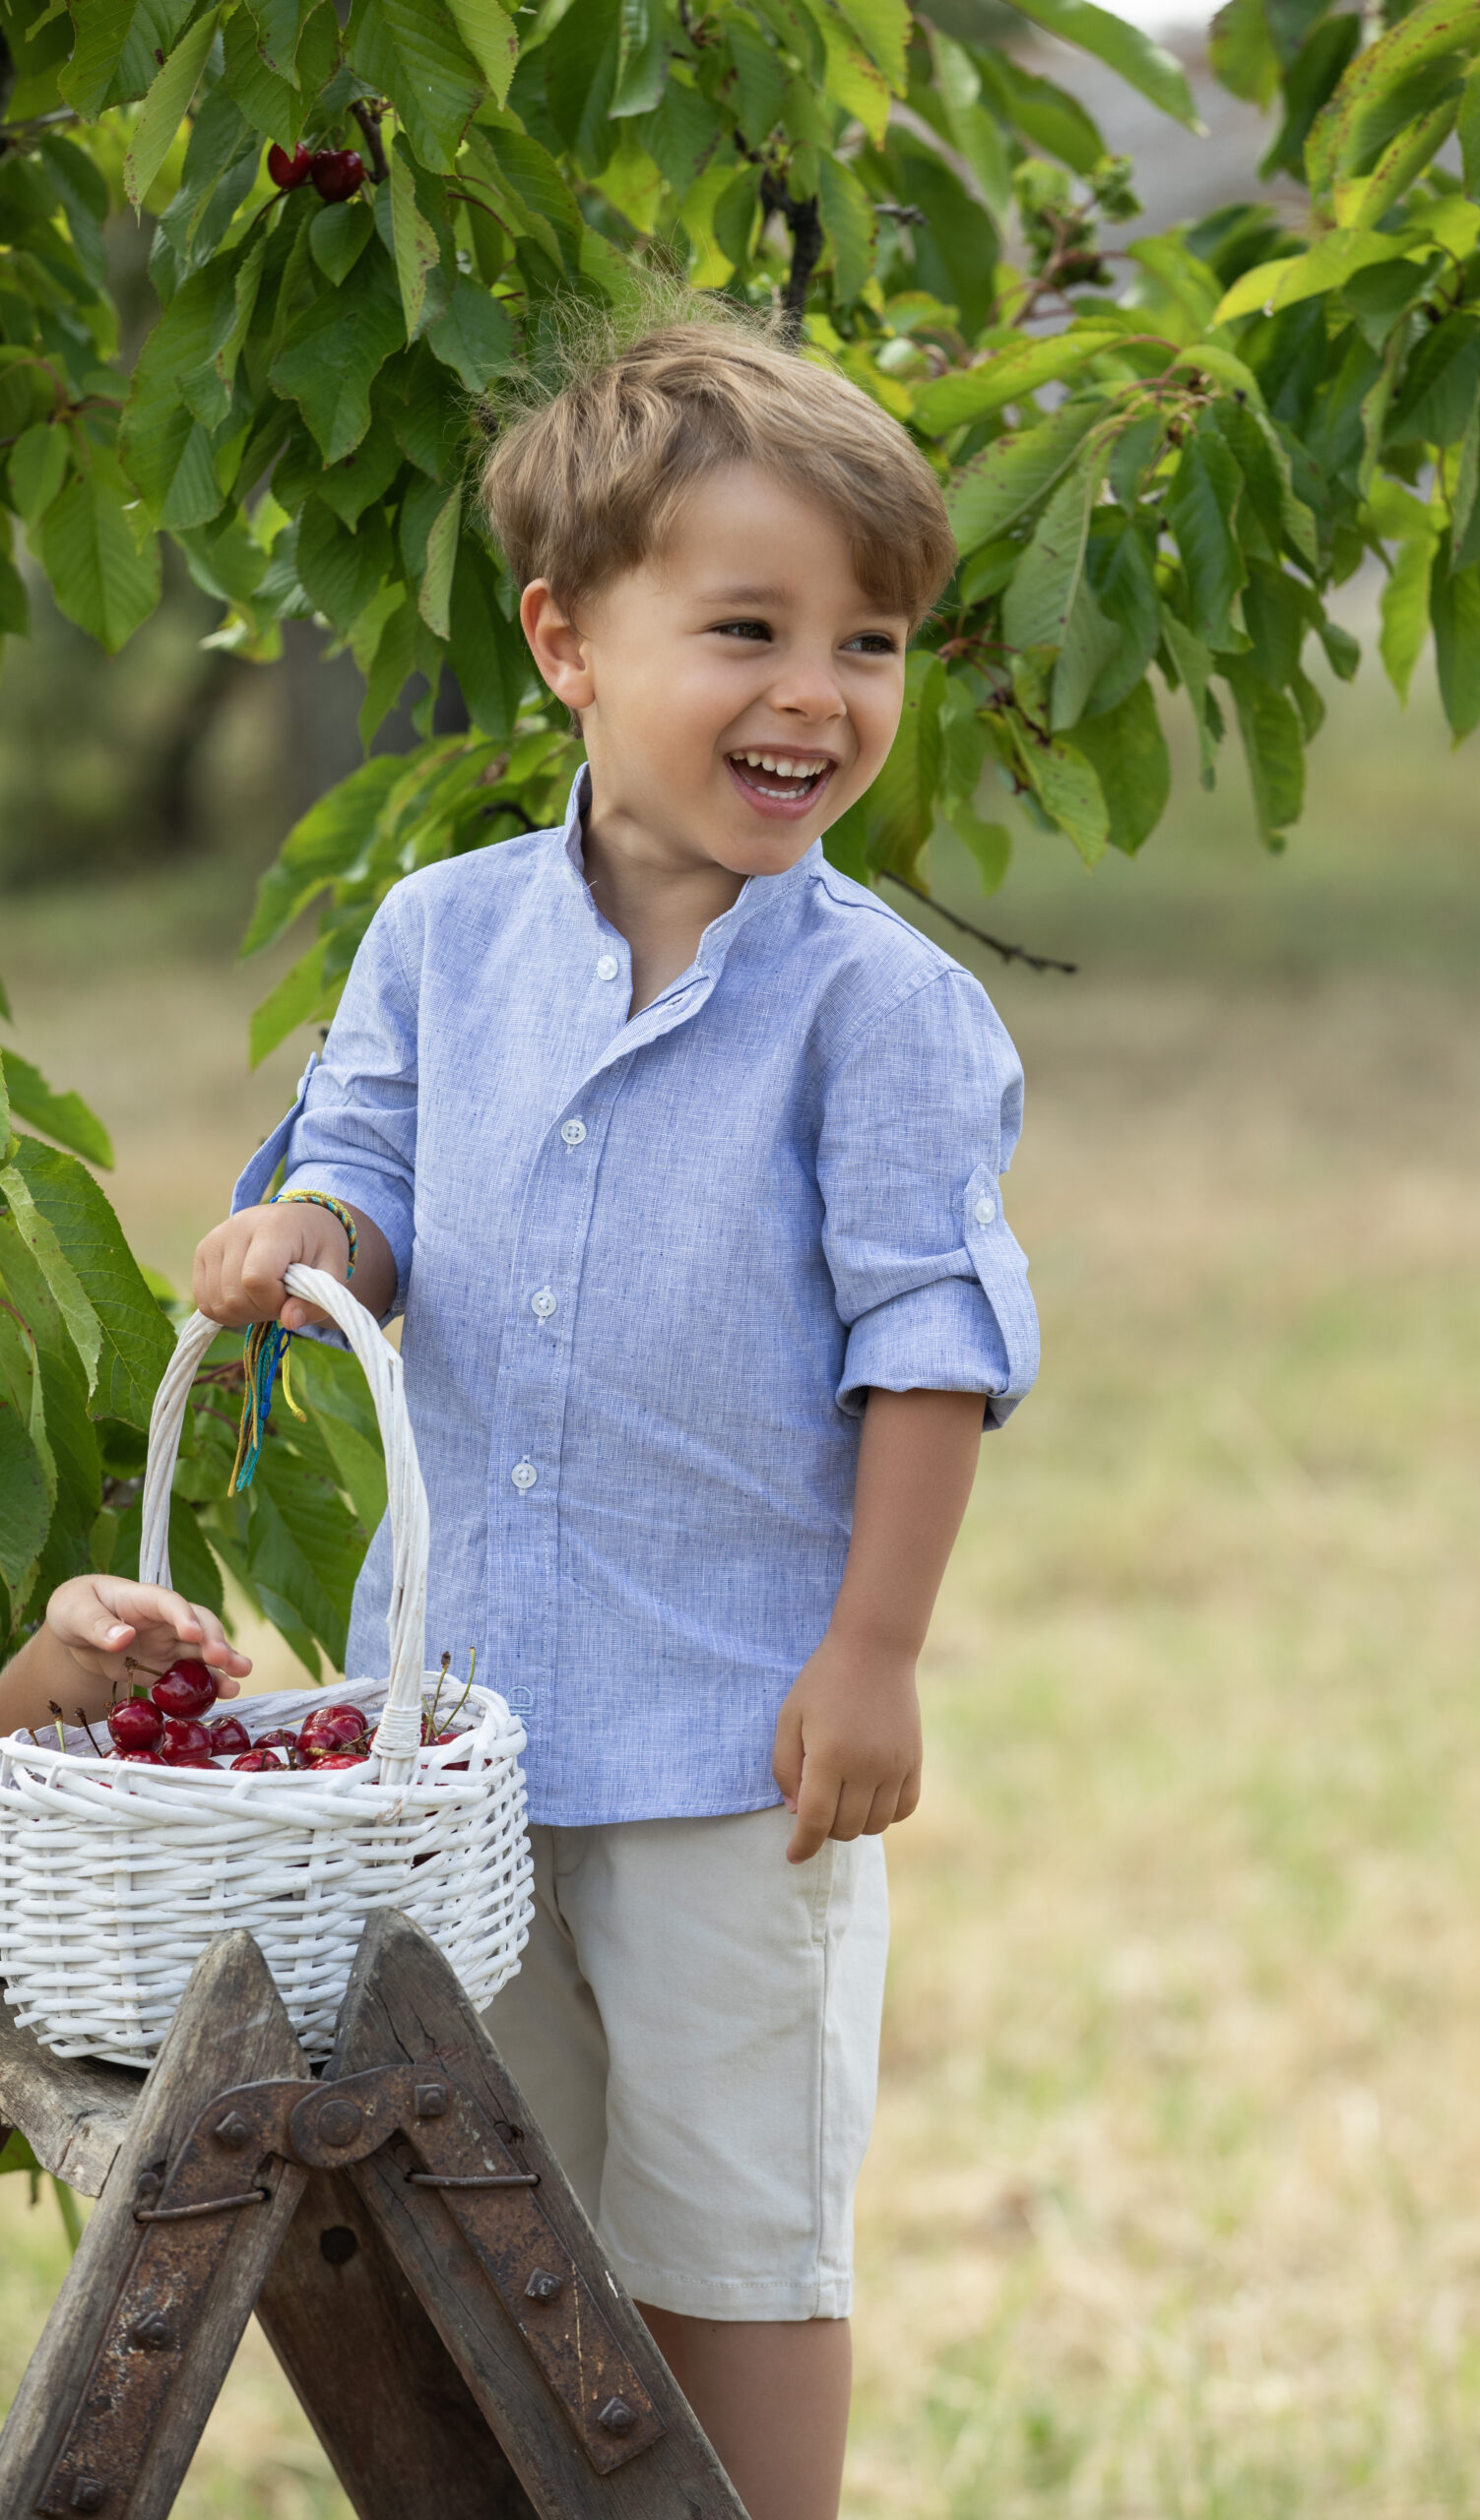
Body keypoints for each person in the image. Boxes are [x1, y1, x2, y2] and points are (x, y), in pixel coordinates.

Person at [48, 305, 1038, 2520]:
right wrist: (306, 1230)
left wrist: (869, 1652)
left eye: (870, 642)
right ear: (566, 638)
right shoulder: (439, 930)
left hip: (728, 1749)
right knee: (499, 2210)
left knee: (730, 2219)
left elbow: (930, 1343)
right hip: (461, 1744)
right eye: (749, 629)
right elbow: (372, 1177)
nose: (818, 695)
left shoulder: (877, 1009)